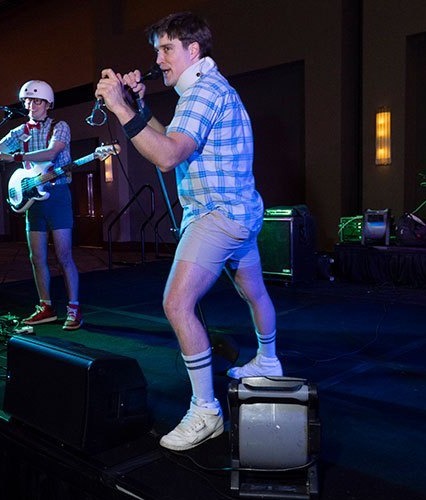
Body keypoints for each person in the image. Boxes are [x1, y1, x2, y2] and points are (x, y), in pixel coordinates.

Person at [95, 12, 282, 451]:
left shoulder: (201, 92)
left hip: (217, 215)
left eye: (166, 49)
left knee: (177, 302)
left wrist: (120, 108)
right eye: (157, 50)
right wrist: (139, 109)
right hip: (240, 211)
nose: (158, 59)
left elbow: (166, 156)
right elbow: (173, 138)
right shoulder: (206, 89)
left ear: (193, 51)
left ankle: (206, 411)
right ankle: (269, 360)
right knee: (253, 291)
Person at [0, 80, 82, 330]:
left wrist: (16, 157)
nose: (31, 105)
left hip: (58, 194)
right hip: (33, 199)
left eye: (37, 101)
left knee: (64, 255)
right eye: (27, 101)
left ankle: (74, 308)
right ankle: (46, 307)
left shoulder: (60, 127)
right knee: (36, 256)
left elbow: (51, 154)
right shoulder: (20, 132)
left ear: (48, 104)